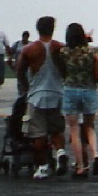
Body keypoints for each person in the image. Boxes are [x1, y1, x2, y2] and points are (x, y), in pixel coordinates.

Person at [61, 23, 98, 178]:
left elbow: (63, 71)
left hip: (71, 89)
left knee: (74, 129)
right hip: (89, 90)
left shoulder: (64, 52)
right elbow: (97, 75)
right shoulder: (92, 53)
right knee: (89, 126)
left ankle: (80, 166)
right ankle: (96, 154)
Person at [17, 16, 67, 179]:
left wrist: (26, 90)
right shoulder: (60, 47)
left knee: (38, 134)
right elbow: (67, 70)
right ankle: (60, 152)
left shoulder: (29, 49)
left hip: (37, 95)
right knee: (56, 130)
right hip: (57, 93)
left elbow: (20, 72)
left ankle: (43, 166)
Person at [11, 30, 31, 97]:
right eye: (24, 36)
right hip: (19, 65)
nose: (25, 38)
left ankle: (27, 94)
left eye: (27, 36)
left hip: (28, 66)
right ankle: (20, 94)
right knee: (20, 81)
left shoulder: (31, 44)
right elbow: (11, 52)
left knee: (28, 79)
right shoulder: (17, 44)